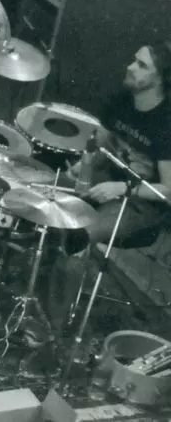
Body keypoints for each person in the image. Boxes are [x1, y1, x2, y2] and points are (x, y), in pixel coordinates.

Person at [47, 41, 171, 334]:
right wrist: (79, 169)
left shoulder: (166, 123)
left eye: (141, 65)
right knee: (41, 194)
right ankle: (45, 281)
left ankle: (55, 328)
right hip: (107, 182)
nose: (130, 67)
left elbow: (168, 191)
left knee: (78, 234)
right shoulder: (122, 99)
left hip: (142, 204)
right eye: (134, 60)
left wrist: (123, 189)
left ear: (160, 79)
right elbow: (100, 144)